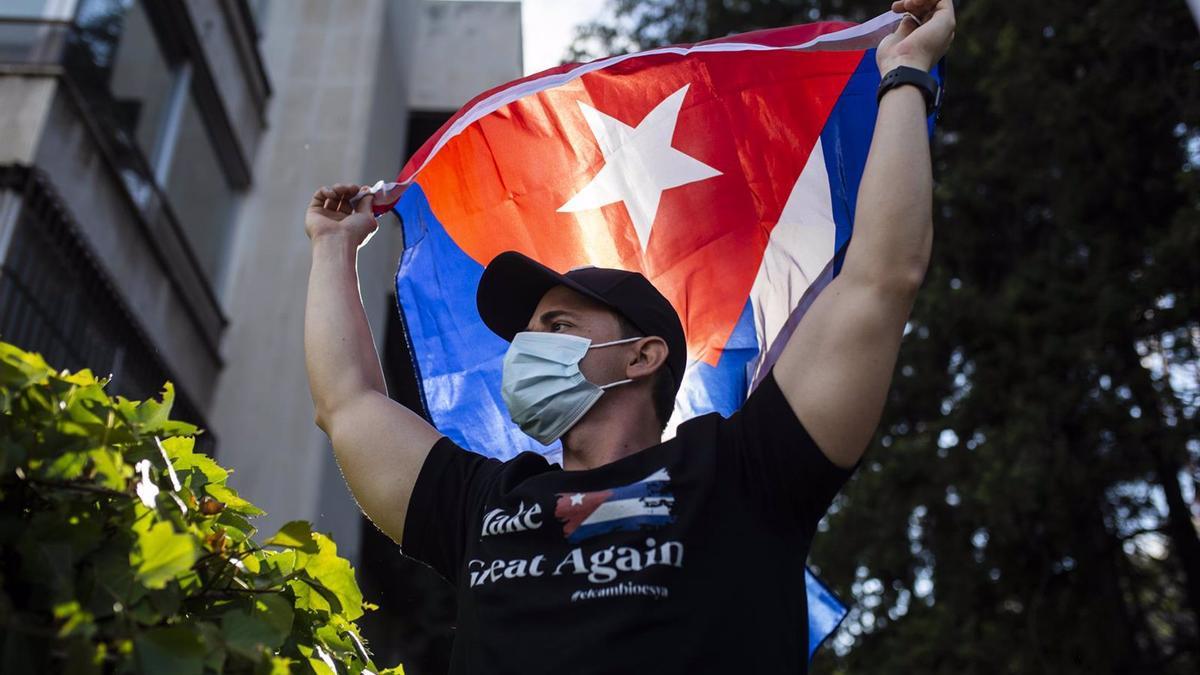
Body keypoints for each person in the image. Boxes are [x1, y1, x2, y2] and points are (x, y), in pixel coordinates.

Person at [303, 1, 955, 671]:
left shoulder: (748, 472)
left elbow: (880, 278)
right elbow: (347, 404)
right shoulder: (479, 503)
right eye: (526, 334)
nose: (529, 349)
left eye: (556, 325)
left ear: (643, 355)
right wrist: (333, 248)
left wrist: (906, 74)